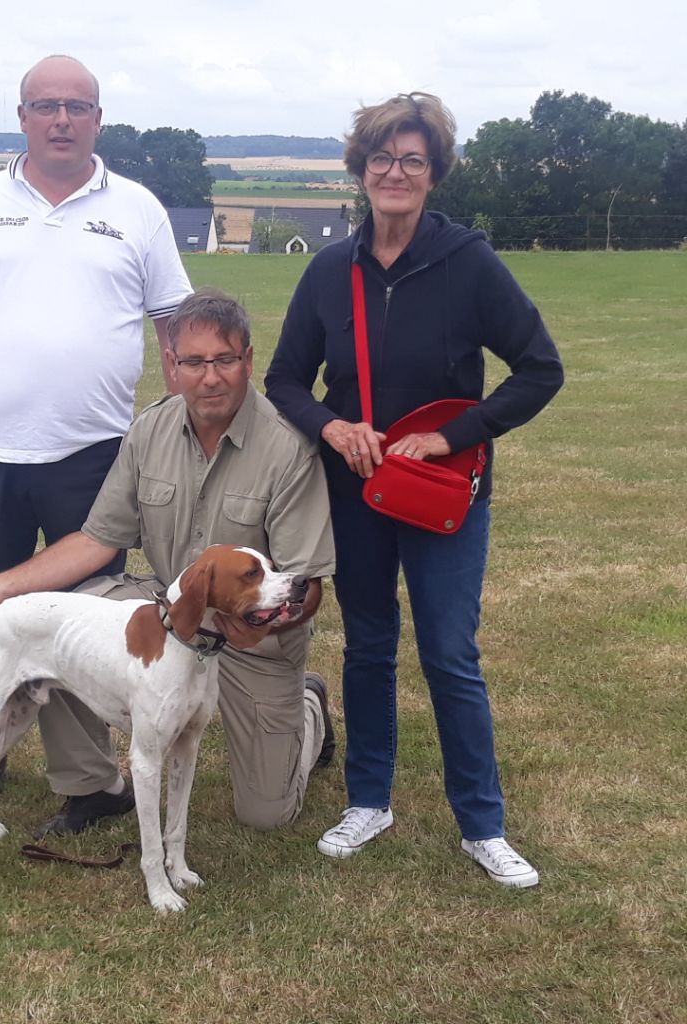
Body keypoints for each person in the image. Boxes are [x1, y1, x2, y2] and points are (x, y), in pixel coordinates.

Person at [265, 93, 564, 887]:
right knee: (367, 646)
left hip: (442, 496)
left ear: (434, 175)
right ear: (361, 171)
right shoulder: (331, 270)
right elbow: (285, 378)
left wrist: (454, 435)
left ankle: (482, 823)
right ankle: (369, 798)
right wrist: (333, 428)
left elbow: (541, 370)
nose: (395, 173)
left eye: (413, 160)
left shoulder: (468, 263)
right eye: (382, 159)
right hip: (355, 492)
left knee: (449, 655)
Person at [0, 289, 337, 837]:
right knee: (58, 619)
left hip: (256, 642)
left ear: (248, 361)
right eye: (192, 362)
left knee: (264, 814)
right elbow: (96, 541)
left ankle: (307, 708)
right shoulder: (148, 431)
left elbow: (306, 587)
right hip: (171, 616)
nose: (209, 377)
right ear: (172, 365)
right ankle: (94, 784)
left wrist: (262, 621)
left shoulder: (289, 448)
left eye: (224, 360)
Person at [0, 55, 191, 804]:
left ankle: (88, 785)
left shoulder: (138, 209)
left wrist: (190, 422)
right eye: (46, 105)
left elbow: (175, 328)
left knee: (87, 625)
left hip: (94, 454)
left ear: (98, 119)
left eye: (77, 106)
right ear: (22, 116)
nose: (62, 119)